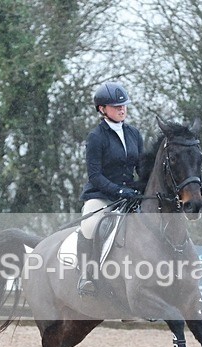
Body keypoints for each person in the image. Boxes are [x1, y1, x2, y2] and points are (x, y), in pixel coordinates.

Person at [77, 82, 144, 296]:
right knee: (90, 225)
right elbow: (95, 176)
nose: (122, 109)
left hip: (129, 197)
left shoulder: (134, 134)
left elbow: (141, 168)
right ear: (102, 109)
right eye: (116, 106)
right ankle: (86, 276)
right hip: (102, 197)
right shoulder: (96, 137)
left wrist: (142, 188)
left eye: (124, 105)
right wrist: (120, 191)